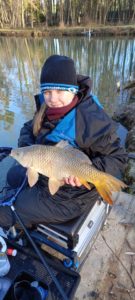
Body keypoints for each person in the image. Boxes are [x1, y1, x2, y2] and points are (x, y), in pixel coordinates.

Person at [0, 54, 128, 229]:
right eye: (47, 92)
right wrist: (29, 150)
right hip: (51, 174)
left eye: (60, 91)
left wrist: (88, 172)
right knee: (13, 176)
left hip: (72, 197)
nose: (53, 98)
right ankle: (30, 207)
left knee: (5, 214)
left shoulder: (91, 121)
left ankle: (27, 219)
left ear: (73, 90)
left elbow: (119, 158)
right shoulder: (46, 109)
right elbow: (27, 129)